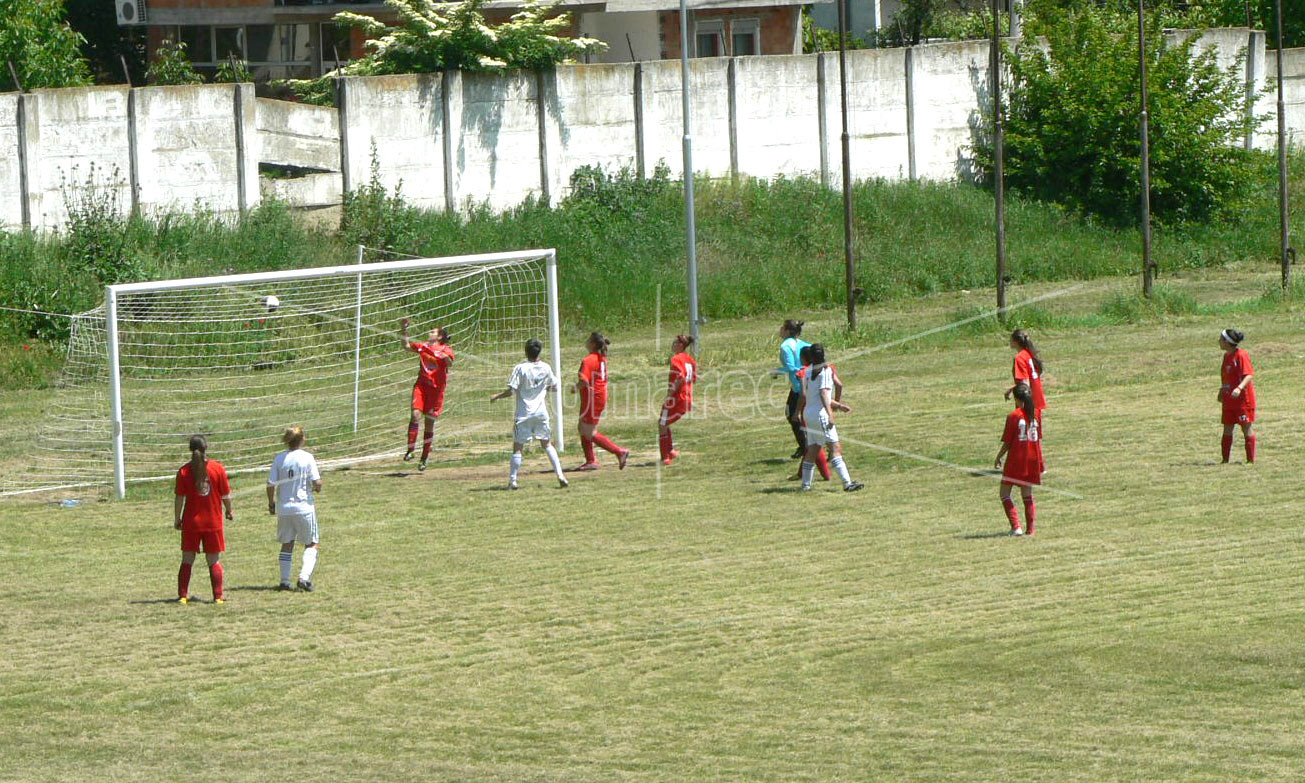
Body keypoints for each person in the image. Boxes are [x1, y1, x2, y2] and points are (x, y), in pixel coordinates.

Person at [490, 338, 569, 489]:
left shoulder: (520, 368)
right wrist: (543, 389)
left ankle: (513, 481)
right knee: (547, 444)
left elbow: (512, 390)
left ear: (525, 352)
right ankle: (560, 475)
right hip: (541, 413)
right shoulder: (546, 367)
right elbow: (555, 387)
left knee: (518, 447)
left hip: (524, 413)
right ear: (539, 352)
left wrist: (497, 396)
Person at [794, 343, 863, 492]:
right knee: (835, 448)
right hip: (821, 415)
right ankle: (847, 483)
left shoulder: (808, 371)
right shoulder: (825, 371)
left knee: (812, 449)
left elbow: (811, 395)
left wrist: (838, 405)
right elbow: (824, 394)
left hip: (809, 413)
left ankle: (806, 486)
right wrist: (831, 414)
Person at [173, 434, 233, 604]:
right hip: (213, 522)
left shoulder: (184, 471)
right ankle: (218, 597)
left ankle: (183, 596)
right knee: (213, 560)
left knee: (187, 559)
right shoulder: (217, 469)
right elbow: (226, 495)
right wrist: (229, 511)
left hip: (191, 523)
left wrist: (177, 518)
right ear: (207, 447)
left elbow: (179, 498)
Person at [267, 425, 323, 592]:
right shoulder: (307, 457)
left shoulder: (279, 459)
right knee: (312, 543)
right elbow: (317, 482)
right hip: (303, 506)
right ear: (302, 439)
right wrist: (318, 487)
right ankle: (304, 577)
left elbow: (270, 484)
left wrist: (271, 503)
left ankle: (284, 581)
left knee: (287, 543)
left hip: (284, 508)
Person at [400, 317, 454, 471]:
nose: (429, 333)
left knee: (429, 423)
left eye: (432, 332)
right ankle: (410, 450)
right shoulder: (423, 347)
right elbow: (405, 346)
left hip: (436, 392)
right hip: (421, 387)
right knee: (415, 415)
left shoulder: (446, 349)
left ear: (439, 337)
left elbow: (450, 362)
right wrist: (404, 329)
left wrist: (445, 358)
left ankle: (424, 458)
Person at [573, 331, 629, 471]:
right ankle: (590, 461)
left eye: (588, 339)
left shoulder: (589, 360)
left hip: (593, 397)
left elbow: (584, 381)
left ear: (592, 344)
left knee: (588, 431)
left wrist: (575, 388)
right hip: (597, 396)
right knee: (582, 427)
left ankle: (619, 452)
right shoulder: (600, 358)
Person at [994, 383, 1043, 536]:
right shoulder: (1036, 413)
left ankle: (1016, 527)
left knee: (1004, 493)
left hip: (1017, 458)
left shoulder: (1014, 416)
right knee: (1027, 494)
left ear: (1016, 398)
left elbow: (1008, 442)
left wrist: (999, 456)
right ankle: (1031, 529)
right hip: (1032, 458)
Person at [788, 346, 831, 482]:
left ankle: (823, 475)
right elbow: (837, 385)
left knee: (813, 446)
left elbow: (803, 394)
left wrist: (795, 413)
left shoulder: (804, 372)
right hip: (823, 409)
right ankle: (804, 475)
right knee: (824, 443)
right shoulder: (827, 368)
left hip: (810, 411)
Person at [1218, 328, 1256, 464]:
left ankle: (1250, 460)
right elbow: (1226, 377)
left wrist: (1239, 388)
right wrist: (1222, 390)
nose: (1219, 341)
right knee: (1227, 426)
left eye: (1221, 339)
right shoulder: (1226, 356)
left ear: (1227, 342)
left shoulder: (1241, 355)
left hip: (1242, 400)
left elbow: (1249, 374)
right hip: (1229, 400)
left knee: (1246, 426)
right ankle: (1225, 460)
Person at [658, 334, 697, 466]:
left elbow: (679, 377)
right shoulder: (690, 359)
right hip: (687, 398)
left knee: (662, 424)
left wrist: (669, 395)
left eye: (675, 343)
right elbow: (693, 378)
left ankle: (665, 457)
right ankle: (671, 451)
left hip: (677, 398)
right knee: (666, 422)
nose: (673, 344)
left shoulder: (676, 359)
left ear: (681, 345)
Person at [775, 319, 811, 459]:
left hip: (798, 386)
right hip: (807, 383)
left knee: (792, 415)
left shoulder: (785, 346)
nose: (780, 328)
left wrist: (777, 371)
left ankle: (805, 446)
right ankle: (809, 445)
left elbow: (790, 367)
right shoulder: (802, 343)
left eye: (783, 327)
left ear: (788, 330)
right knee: (805, 415)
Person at [1006, 329, 1047, 432]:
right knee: (1034, 438)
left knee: (1025, 437)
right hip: (1036, 398)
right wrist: (1012, 390)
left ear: (1015, 342)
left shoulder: (1019, 358)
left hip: (1028, 402)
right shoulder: (1029, 354)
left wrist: (1022, 405)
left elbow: (1025, 383)